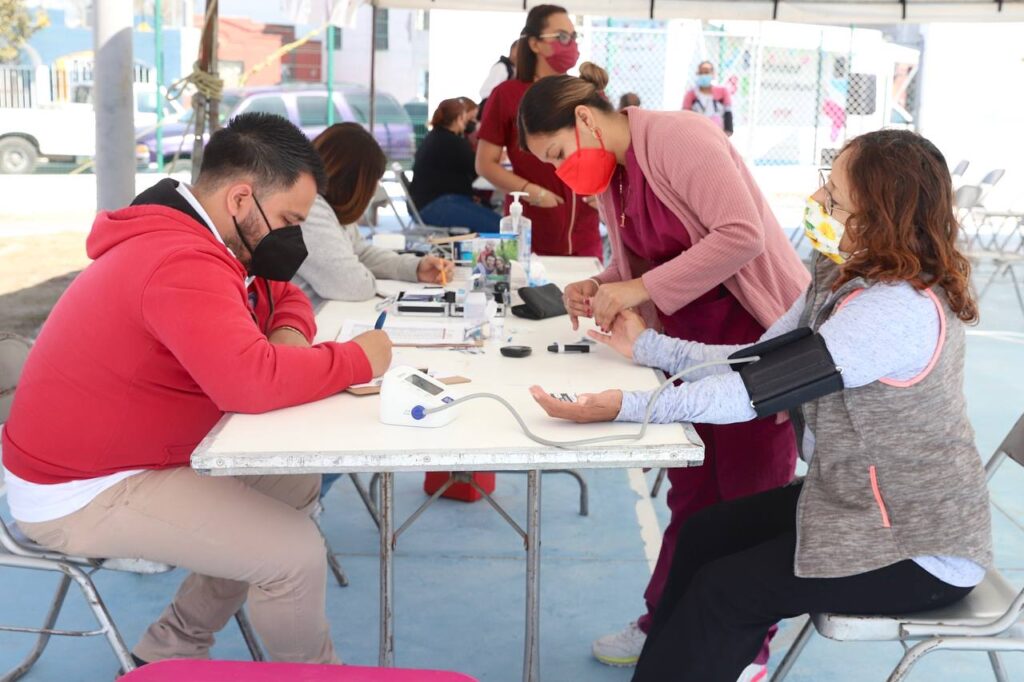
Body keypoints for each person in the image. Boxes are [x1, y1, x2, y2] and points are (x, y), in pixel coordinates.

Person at [530, 129, 991, 682]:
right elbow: (755, 361)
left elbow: (750, 394)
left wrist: (625, 405)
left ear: (879, 215)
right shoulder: (846, 279)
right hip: (858, 508)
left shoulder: (895, 310)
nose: (818, 202)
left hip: (917, 545)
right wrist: (647, 346)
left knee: (727, 592)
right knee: (705, 534)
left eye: (836, 198)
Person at [1, 113, 393, 666]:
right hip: (81, 488)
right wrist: (357, 359)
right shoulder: (180, 259)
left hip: (124, 457)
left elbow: (285, 296)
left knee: (290, 479)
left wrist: (284, 338)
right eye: (287, 219)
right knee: (294, 555)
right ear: (240, 199)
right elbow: (249, 384)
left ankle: (169, 650)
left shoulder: (208, 238)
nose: (292, 236)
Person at [518, 65, 809, 679]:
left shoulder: (680, 138)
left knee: (750, 493)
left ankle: (748, 651)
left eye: (559, 154)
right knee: (693, 495)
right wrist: (599, 285)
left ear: (585, 119)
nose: (563, 171)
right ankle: (665, 617)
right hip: (685, 344)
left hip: (753, 336)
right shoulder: (616, 178)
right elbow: (642, 261)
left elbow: (742, 236)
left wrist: (634, 288)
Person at [476, 4, 602, 260]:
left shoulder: (586, 93)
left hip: (586, 236)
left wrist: (606, 195)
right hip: (530, 231)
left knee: (585, 296)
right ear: (535, 43)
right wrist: (531, 192)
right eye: (562, 36)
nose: (571, 44)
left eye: (573, 37)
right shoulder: (507, 95)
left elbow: (611, 153)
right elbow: (485, 164)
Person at [294, 122, 453, 305]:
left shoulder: (330, 208)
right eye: (373, 182)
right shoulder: (311, 211)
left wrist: (415, 267)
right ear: (352, 181)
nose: (375, 189)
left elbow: (361, 253)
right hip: (314, 322)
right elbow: (353, 285)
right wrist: (364, 274)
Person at [410, 98, 500, 233]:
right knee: (498, 225)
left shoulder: (433, 137)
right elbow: (479, 168)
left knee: (492, 219)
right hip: (437, 205)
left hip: (424, 205)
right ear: (460, 118)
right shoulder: (453, 142)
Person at [683, 61, 733, 136]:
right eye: (701, 73)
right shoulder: (691, 94)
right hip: (696, 133)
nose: (703, 75)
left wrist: (727, 132)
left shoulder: (723, 92)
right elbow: (685, 116)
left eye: (706, 72)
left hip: (718, 133)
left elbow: (728, 112)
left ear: (713, 74)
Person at [478, 39, 519, 121]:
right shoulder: (501, 67)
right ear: (512, 50)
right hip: (493, 109)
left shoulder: (515, 68)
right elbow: (486, 91)